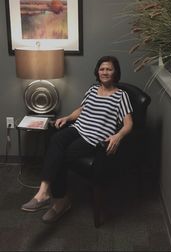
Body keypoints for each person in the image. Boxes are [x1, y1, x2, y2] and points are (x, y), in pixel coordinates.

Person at [21, 55, 133, 223]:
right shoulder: (92, 89)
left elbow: (128, 123)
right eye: (102, 69)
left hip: (93, 138)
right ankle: (43, 192)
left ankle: (60, 203)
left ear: (115, 72)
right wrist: (67, 118)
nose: (105, 72)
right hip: (78, 128)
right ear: (98, 71)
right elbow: (81, 110)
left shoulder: (121, 96)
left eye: (109, 69)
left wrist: (118, 136)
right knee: (56, 140)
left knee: (61, 156)